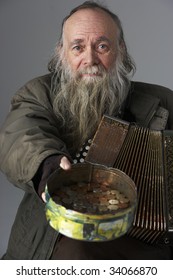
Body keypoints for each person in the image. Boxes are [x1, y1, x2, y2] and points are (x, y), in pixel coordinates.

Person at [0, 1, 173, 260]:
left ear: (120, 51)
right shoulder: (37, 94)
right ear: (62, 53)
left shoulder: (164, 102)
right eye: (78, 47)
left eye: (102, 46)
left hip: (142, 246)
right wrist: (49, 168)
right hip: (58, 239)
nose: (90, 59)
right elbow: (21, 135)